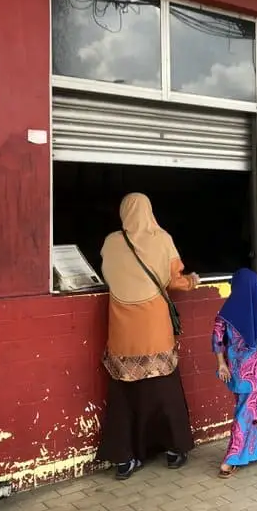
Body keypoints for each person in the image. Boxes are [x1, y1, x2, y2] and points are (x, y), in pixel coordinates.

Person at [97, 193, 200, 480]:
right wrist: (192, 281)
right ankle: (173, 450)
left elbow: (108, 274)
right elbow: (174, 281)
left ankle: (124, 459)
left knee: (123, 395)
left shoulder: (110, 242)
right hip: (155, 330)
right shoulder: (162, 239)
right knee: (165, 390)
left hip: (121, 333)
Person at [211, 268, 257, 478]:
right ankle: (231, 457)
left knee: (248, 409)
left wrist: (221, 364)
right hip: (255, 374)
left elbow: (217, 340)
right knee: (245, 412)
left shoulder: (224, 314)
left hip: (235, 373)